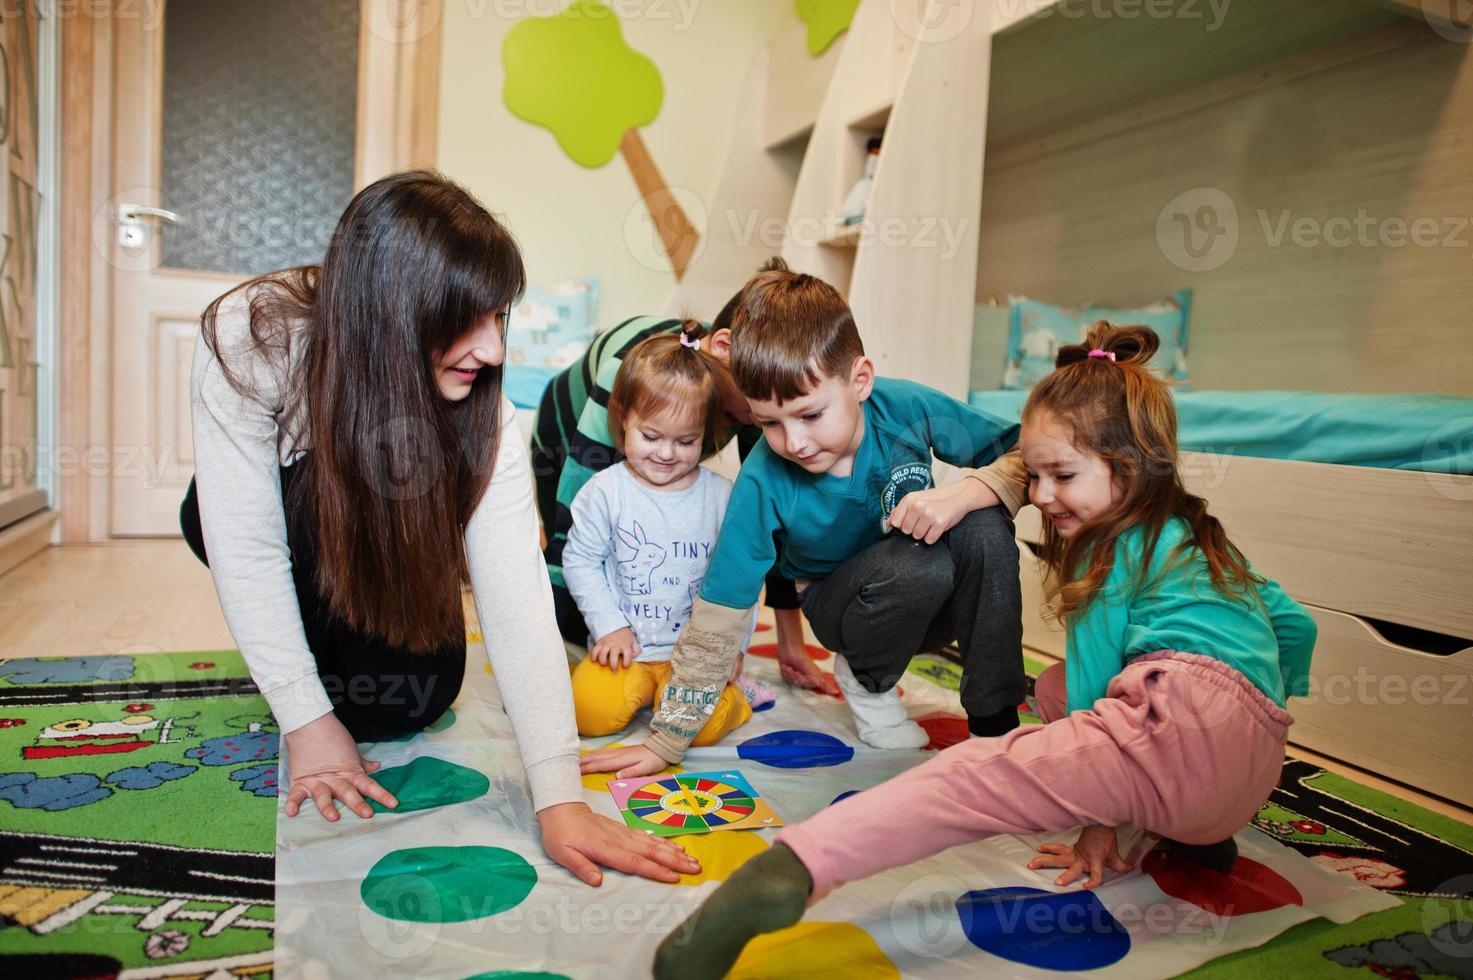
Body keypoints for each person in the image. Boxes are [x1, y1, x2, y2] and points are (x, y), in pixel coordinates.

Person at [650, 323, 1317, 978]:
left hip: (1167, 734)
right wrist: (1253, 703)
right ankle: (1195, 831)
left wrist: (1097, 822)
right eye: (767, 423)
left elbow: (1092, 693)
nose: (1041, 494)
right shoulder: (1203, 537)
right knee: (1050, 689)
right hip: (1250, 770)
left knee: (970, 780)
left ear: (859, 379)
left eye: (1061, 476)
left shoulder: (1106, 548)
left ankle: (795, 866)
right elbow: (1292, 627)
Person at [182, 170, 699, 887]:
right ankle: (303, 645)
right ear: (394, 309)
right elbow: (247, 543)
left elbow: (516, 590)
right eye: (468, 320)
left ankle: (335, 635)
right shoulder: (251, 338)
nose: (491, 352)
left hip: (389, 540)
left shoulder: (486, 410)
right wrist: (306, 721)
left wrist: (559, 798)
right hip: (291, 512)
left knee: (404, 701)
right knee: (246, 554)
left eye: (499, 319)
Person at [582, 265, 1028, 779]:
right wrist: (666, 740)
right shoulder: (763, 478)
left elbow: (1027, 452)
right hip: (846, 607)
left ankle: (995, 729)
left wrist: (968, 491)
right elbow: (721, 607)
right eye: (768, 423)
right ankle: (868, 677)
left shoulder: (906, 406)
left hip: (933, 603)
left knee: (985, 523)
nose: (793, 442)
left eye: (811, 415)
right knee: (920, 564)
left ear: (860, 380)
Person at [532, 262, 834, 695]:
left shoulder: (753, 390)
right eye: (741, 415)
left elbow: (765, 523)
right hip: (564, 440)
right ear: (724, 350)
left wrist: (791, 642)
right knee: (583, 595)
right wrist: (547, 665)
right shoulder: (629, 366)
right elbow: (572, 527)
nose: (758, 424)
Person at [563, 325, 759, 742]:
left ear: (707, 435)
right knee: (587, 714)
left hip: (693, 656)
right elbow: (580, 560)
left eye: (686, 441)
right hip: (626, 650)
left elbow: (740, 579)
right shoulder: (605, 491)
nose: (667, 453)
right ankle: (647, 691)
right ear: (623, 422)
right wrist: (608, 626)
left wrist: (733, 649)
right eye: (651, 437)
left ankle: (736, 700)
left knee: (696, 727)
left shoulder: (723, 498)